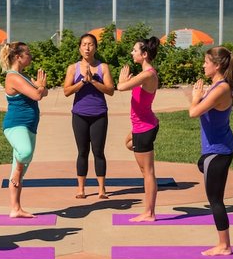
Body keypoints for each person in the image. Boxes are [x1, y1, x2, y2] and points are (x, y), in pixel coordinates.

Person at [188, 46, 233, 256]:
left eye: (206, 62)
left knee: (215, 200)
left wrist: (195, 97)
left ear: (217, 65)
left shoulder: (221, 89)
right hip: (217, 148)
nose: (203, 65)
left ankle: (224, 245)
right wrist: (200, 95)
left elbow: (193, 112)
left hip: (219, 151)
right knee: (203, 165)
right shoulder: (218, 86)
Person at [63, 33, 115, 199]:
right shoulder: (73, 68)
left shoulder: (103, 67)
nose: (87, 48)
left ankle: (102, 189)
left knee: (98, 151)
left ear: (95, 48)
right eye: (84, 44)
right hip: (80, 115)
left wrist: (93, 81)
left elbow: (111, 90)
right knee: (82, 152)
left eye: (90, 44)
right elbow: (66, 91)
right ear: (80, 48)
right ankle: (81, 189)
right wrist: (82, 82)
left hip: (99, 114)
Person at [0, 42, 48, 218]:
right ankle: (18, 170)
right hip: (16, 125)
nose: (31, 56)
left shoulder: (23, 76)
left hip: (30, 126)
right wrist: (40, 87)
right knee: (24, 154)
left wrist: (40, 86)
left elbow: (44, 92)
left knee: (20, 168)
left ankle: (16, 208)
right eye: (28, 53)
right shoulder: (13, 77)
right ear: (18, 57)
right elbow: (37, 95)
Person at [117, 36, 160, 222]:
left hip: (144, 128)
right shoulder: (144, 74)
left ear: (144, 55)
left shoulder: (148, 74)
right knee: (128, 143)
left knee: (147, 172)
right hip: (142, 126)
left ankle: (149, 213)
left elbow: (121, 87)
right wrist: (127, 81)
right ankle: (149, 211)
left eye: (135, 50)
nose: (131, 53)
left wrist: (122, 80)